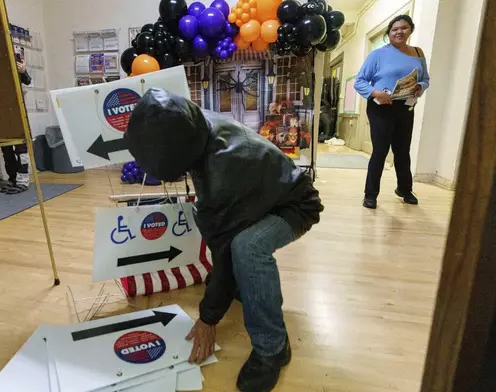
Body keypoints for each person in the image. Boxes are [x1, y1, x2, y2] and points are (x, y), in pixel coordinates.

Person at [124, 88, 324, 392]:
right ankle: (249, 287)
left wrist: (208, 317)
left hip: (294, 205)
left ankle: (273, 349)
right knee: (213, 226)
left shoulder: (226, 168)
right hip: (263, 194)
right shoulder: (195, 124)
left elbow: (226, 250)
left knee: (247, 247)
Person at [354, 15, 430, 209]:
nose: (399, 32)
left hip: (405, 107)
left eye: (404, 28)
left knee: (402, 150)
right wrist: (375, 93)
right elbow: (360, 81)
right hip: (381, 107)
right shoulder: (377, 55)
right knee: (380, 150)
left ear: (410, 30)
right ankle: (370, 194)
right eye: (395, 29)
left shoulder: (418, 53)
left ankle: (404, 189)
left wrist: (420, 87)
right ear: (389, 33)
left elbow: (425, 79)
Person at [0, 46, 32, 195]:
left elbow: (27, 80)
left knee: (20, 148)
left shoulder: (18, 71)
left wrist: (23, 70)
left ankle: (23, 180)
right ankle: (12, 178)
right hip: (1, 113)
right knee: (6, 148)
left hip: (17, 112)